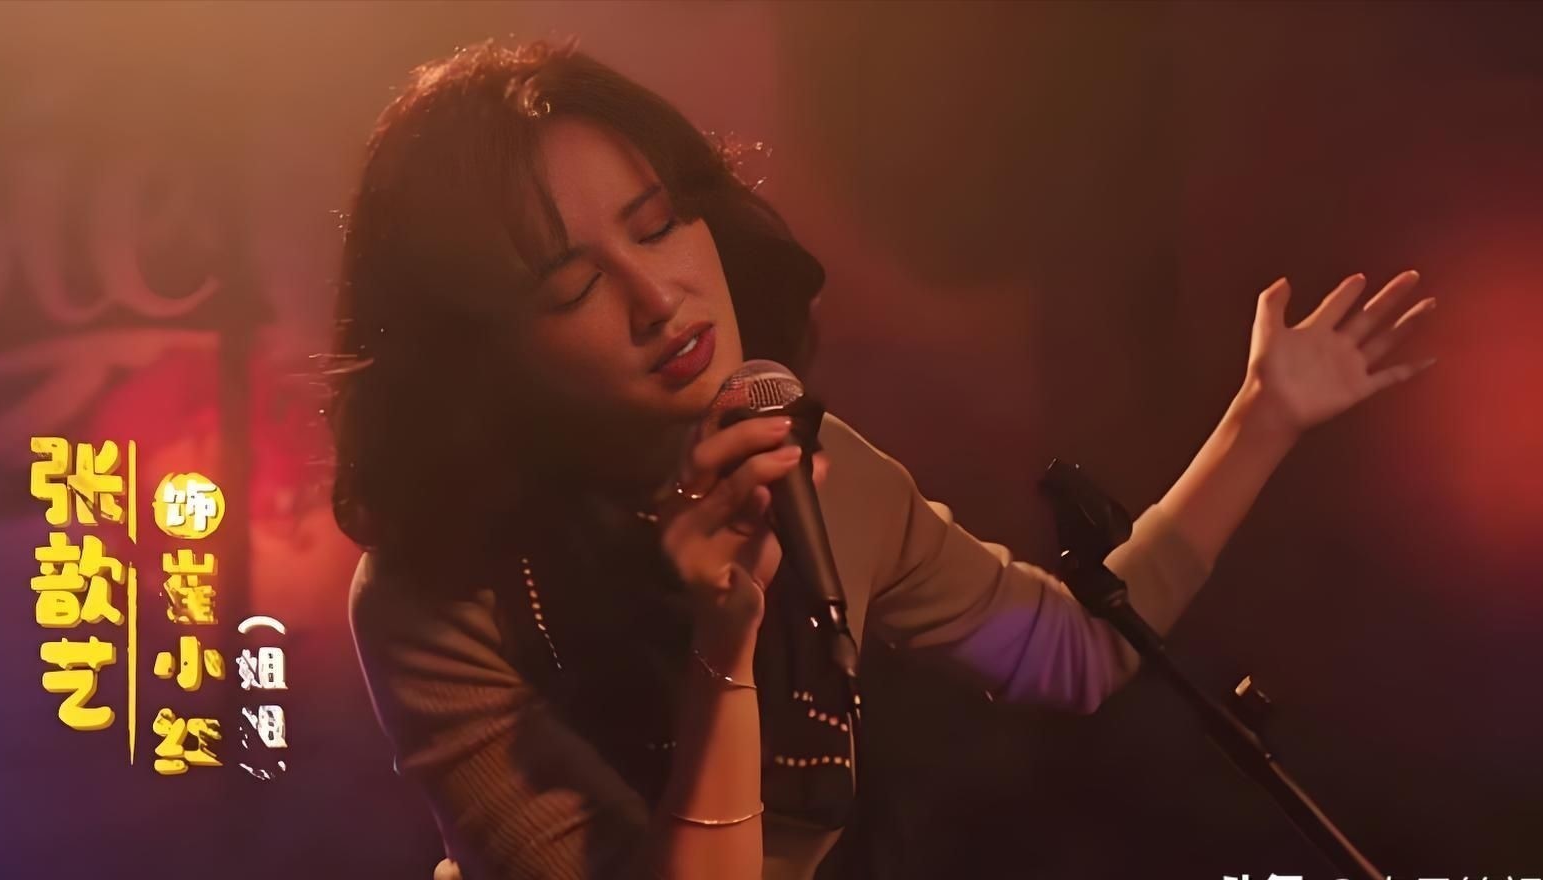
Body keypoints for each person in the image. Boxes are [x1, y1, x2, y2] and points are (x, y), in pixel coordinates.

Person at [327, 37, 1439, 880]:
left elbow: (1074, 650)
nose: (655, 295)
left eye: (657, 224)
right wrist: (725, 641)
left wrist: (1262, 418)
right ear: (481, 356)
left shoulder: (824, 478)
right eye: (573, 285)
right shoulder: (436, 596)